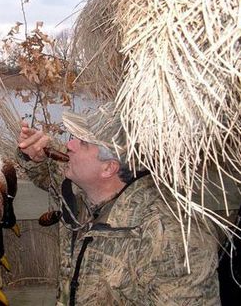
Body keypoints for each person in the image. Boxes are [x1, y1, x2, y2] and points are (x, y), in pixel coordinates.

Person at [17, 102, 221, 305]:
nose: (69, 145)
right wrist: (35, 154)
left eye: (83, 142)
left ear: (109, 168)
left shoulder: (174, 234)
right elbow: (49, 173)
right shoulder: (87, 190)